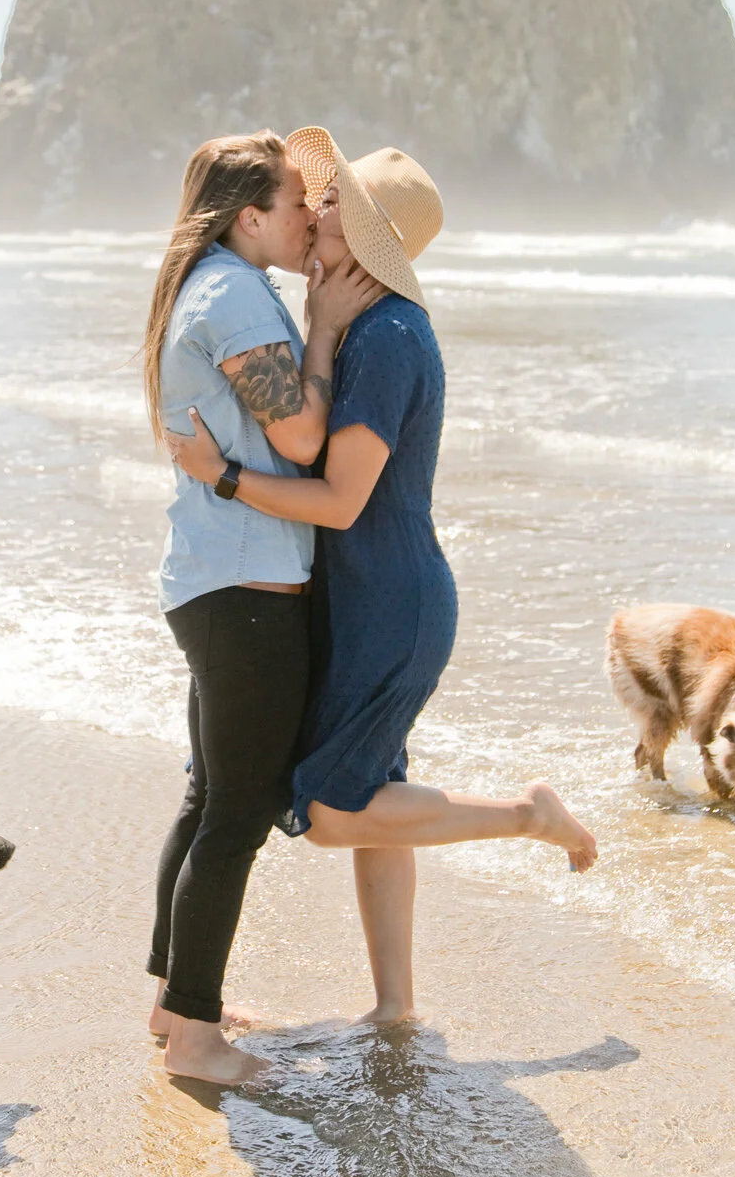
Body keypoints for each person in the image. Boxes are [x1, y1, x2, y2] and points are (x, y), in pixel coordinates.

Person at [167, 127, 598, 1028]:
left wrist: (227, 478)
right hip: (357, 599)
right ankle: (395, 1005)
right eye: (317, 199)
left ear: (364, 242)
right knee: (374, 800)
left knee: (332, 810)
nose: (315, 209)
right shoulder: (359, 325)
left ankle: (528, 813)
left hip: (388, 602)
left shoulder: (389, 338)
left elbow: (339, 501)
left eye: (334, 205)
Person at [143, 128, 378, 1086]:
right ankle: (196, 1042)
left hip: (214, 580)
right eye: (293, 204)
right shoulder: (238, 299)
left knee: (209, 798)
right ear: (249, 216)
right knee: (237, 811)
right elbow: (306, 434)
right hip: (243, 591)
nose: (308, 218)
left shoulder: (209, 282)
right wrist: (324, 327)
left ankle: (174, 1001)